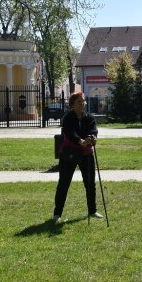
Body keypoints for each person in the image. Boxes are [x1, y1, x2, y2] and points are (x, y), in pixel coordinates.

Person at [53, 92, 102, 223]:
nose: (82, 104)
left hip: (86, 154)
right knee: (64, 183)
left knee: (90, 183)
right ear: (72, 105)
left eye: (83, 101)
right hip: (69, 154)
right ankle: (57, 214)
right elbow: (70, 133)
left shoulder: (89, 117)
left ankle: (92, 211)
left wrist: (93, 138)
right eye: (79, 102)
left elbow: (93, 130)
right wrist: (80, 141)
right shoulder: (68, 118)